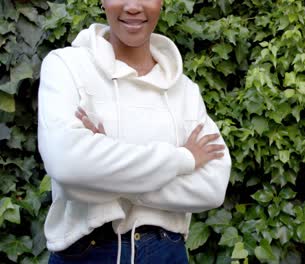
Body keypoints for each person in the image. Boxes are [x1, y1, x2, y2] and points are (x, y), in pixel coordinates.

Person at [37, 0, 231, 263]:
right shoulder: (66, 66)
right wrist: (182, 159)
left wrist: (103, 171)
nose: (133, 6)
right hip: (86, 253)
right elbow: (68, 164)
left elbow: (212, 186)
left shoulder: (185, 90)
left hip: (166, 253)